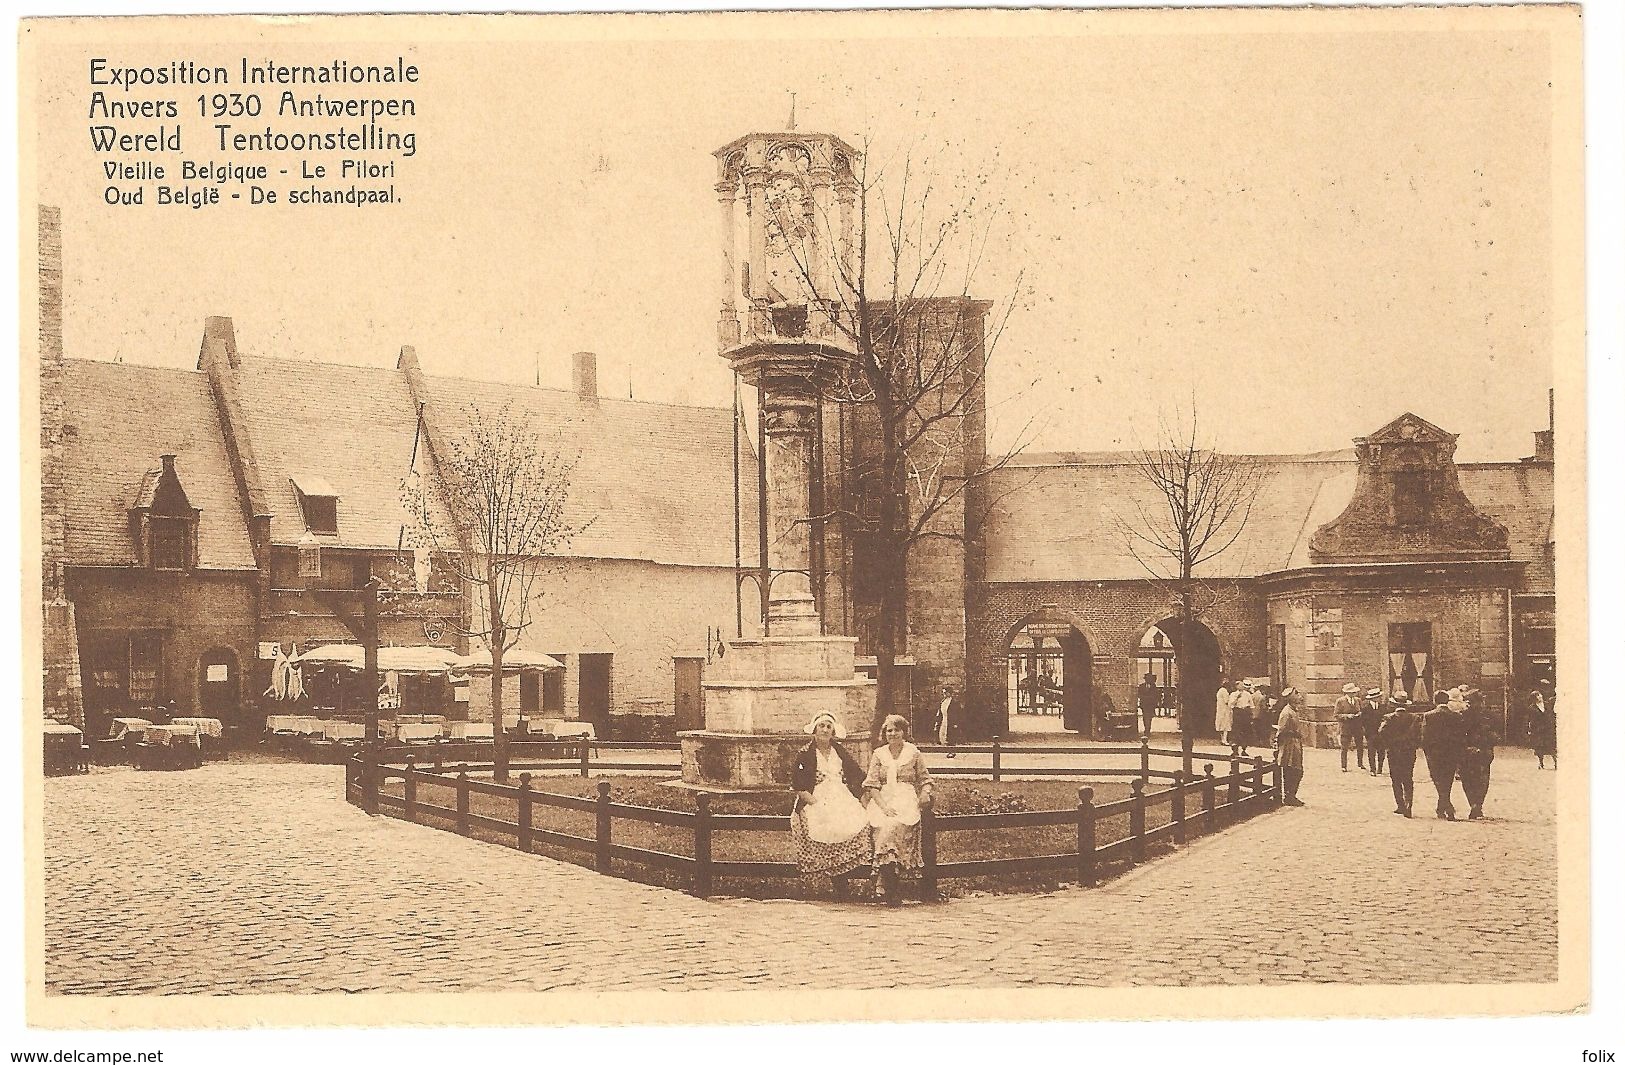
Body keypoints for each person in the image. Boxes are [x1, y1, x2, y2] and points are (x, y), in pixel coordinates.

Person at [790, 712, 872, 897]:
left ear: (833, 730)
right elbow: (798, 786)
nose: (825, 730)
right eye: (822, 726)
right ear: (814, 730)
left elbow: (856, 774)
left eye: (828, 727)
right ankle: (839, 883)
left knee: (856, 820)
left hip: (840, 793)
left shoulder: (839, 751)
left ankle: (848, 875)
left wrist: (863, 793)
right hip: (815, 796)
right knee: (826, 822)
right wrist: (815, 803)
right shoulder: (805, 754)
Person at [864, 714, 935, 906]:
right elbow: (872, 784)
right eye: (889, 730)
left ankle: (888, 886)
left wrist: (925, 793)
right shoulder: (879, 754)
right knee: (884, 823)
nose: (893, 734)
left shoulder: (913, 753)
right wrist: (883, 806)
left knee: (894, 825)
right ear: (884, 733)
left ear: (904, 732)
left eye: (897, 730)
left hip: (906, 797)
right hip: (883, 798)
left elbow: (925, 779)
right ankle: (891, 887)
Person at [1421, 690, 1465, 821]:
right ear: (1447, 701)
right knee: (1447, 780)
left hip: (1434, 754)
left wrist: (1427, 752)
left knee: (1437, 779)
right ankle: (1442, 807)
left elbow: (1425, 736)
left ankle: (1447, 806)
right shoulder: (1456, 716)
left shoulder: (1428, 716)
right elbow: (1460, 736)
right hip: (1451, 753)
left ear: (1435, 701)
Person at [1457, 688, 1499, 820]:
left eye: (1470, 701)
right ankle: (1475, 805)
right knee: (1473, 779)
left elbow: (1496, 734)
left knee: (1476, 779)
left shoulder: (1487, 716)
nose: (1468, 704)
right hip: (1470, 751)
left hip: (1479, 751)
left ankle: (1476, 805)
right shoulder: (1462, 716)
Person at [1378, 691, 1421, 816]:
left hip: (1394, 752)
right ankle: (1409, 805)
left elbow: (1381, 732)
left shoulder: (1388, 717)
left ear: (1394, 704)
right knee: (1408, 778)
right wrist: (1413, 744)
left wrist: (1389, 743)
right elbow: (1419, 734)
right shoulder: (1414, 717)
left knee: (1396, 779)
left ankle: (1400, 805)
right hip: (1409, 752)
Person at [1273, 686, 1306, 806]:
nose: (1299, 696)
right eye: (1296, 694)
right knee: (1292, 770)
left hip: (1295, 744)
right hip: (1289, 745)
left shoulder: (1294, 710)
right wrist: (1278, 747)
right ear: (1291, 698)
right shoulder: (1286, 712)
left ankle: (1291, 795)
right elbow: (1281, 730)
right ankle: (1289, 796)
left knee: (1297, 770)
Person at [1335, 682, 1364, 772]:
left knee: (1360, 745)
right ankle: (1344, 766)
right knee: (1344, 747)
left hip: (1357, 727)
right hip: (1346, 727)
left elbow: (1362, 711)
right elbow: (1336, 715)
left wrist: (1360, 714)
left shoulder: (1358, 700)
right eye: (1351, 692)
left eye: (1354, 692)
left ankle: (1360, 763)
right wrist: (1347, 716)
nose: (1353, 694)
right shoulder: (1340, 701)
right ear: (1346, 693)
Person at [1360, 687, 1386, 776]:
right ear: (1373, 698)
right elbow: (1363, 722)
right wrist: (1366, 732)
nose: (1380, 699)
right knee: (1371, 752)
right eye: (1378, 697)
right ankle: (1372, 769)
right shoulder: (1365, 709)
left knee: (1381, 752)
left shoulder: (1383, 707)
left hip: (1382, 734)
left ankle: (1380, 768)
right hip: (1370, 733)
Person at [1528, 687, 1556, 769]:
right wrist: (1531, 730)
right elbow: (1531, 719)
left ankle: (1556, 763)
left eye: (1540, 695)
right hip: (1538, 730)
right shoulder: (1532, 708)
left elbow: (1551, 715)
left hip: (1548, 728)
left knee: (1551, 746)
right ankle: (1541, 763)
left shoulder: (1547, 704)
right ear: (1534, 698)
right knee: (1539, 747)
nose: (1540, 696)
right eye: (1537, 696)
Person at [1230, 681, 1256, 755]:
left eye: (1242, 685)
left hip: (1245, 713)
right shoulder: (1233, 694)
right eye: (1240, 685)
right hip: (1237, 713)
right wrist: (1236, 698)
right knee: (1236, 731)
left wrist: (1252, 715)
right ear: (1236, 686)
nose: (1241, 687)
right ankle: (1235, 750)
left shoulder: (1247, 694)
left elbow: (1251, 705)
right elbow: (1231, 705)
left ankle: (1244, 749)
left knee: (1245, 731)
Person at [934, 684, 960, 758]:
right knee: (943, 735)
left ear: (950, 693)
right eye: (943, 693)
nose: (944, 694)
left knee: (951, 736)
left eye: (946, 692)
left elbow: (957, 713)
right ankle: (947, 750)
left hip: (951, 721)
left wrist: (956, 723)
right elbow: (940, 712)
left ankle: (952, 751)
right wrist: (937, 722)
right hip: (944, 720)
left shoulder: (954, 702)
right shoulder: (942, 701)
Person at [1137, 673, 1159, 738]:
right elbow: (1139, 695)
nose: (1147, 680)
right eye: (1146, 679)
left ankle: (1147, 730)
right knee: (1145, 718)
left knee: (1149, 718)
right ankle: (1146, 729)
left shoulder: (1153, 686)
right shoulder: (1141, 686)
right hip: (1144, 705)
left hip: (1150, 705)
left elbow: (1155, 696)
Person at [1214, 679, 1233, 747]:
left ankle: (1222, 739)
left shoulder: (1220, 690)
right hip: (1224, 710)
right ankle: (1224, 740)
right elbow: (1226, 701)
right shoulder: (1224, 691)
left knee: (1222, 725)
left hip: (1221, 709)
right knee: (1225, 725)